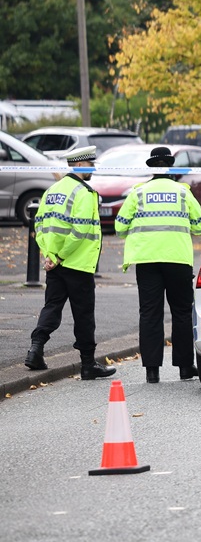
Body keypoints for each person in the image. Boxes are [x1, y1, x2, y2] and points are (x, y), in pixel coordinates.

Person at [24, 145, 116, 380]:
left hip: (55, 264)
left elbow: (39, 225)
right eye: (91, 165)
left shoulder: (52, 190)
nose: (93, 169)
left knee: (52, 307)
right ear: (81, 165)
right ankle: (88, 365)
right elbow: (80, 231)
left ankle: (35, 350)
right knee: (83, 315)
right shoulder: (83, 193)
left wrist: (50, 255)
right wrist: (61, 256)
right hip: (77, 264)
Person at [115, 146, 201, 382]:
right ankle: (185, 367)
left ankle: (152, 371)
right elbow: (199, 226)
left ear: (152, 167)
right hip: (177, 259)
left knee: (150, 314)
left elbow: (119, 227)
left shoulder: (138, 193)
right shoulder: (183, 193)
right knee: (182, 313)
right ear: (171, 166)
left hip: (147, 261)